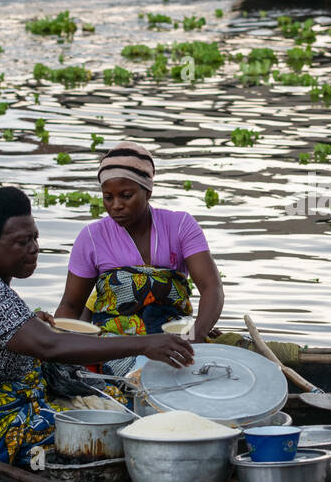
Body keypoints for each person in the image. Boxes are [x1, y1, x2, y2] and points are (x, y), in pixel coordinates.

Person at [0, 186, 193, 467]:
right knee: (114, 433)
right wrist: (146, 343)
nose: (34, 248)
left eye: (35, 237)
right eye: (23, 242)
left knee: (111, 400)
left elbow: (3, 332)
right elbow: (51, 346)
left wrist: (30, 321)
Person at [54, 140, 224, 377]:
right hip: (113, 346)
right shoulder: (92, 237)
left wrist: (195, 335)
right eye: (107, 197)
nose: (115, 206)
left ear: (148, 191)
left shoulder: (180, 226)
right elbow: (70, 305)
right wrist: (58, 349)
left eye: (126, 196)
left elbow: (211, 287)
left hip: (174, 339)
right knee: (135, 379)